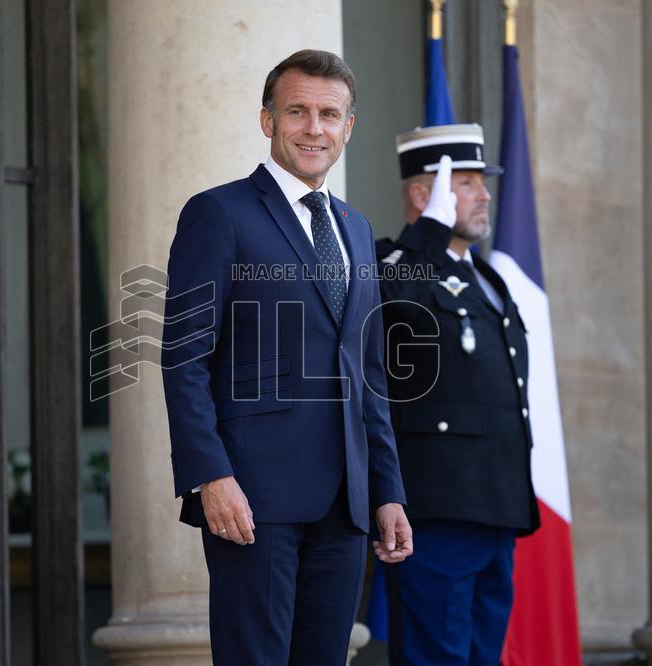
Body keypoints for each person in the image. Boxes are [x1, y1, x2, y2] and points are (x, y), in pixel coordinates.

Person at [161, 49, 413, 665]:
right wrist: (210, 476)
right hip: (253, 496)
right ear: (268, 120)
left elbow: (368, 375)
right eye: (297, 111)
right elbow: (184, 357)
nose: (314, 128)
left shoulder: (355, 228)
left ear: (348, 127)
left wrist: (387, 490)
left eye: (330, 114)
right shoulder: (217, 213)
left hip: (346, 502)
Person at [374, 123, 540, 665]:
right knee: (435, 657)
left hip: (495, 507)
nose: (485, 194)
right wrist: (430, 231)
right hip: (437, 509)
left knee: (480, 656)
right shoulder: (398, 264)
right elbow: (388, 301)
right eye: (466, 182)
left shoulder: (488, 278)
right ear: (425, 195)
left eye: (481, 182)